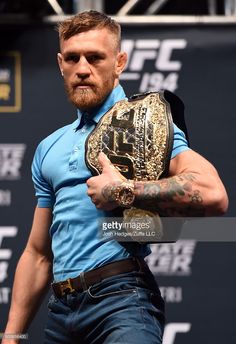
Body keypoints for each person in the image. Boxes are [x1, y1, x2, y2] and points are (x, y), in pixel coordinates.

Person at [3, 10, 228, 344]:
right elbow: (38, 253)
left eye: (95, 58)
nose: (82, 69)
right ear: (60, 63)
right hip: (60, 312)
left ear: (120, 62)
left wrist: (123, 190)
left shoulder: (146, 122)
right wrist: (12, 335)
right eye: (72, 58)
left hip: (121, 301)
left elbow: (213, 195)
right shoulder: (49, 147)